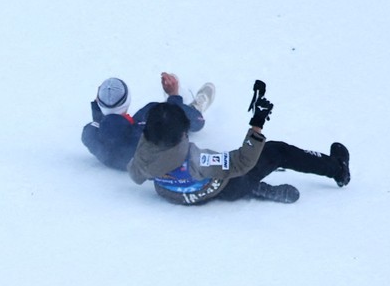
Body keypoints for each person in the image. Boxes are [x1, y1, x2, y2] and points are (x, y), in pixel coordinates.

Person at [129, 92, 349, 205]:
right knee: (276, 151)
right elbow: (241, 161)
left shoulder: (143, 154)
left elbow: (136, 175)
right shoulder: (198, 162)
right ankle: (338, 169)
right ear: (180, 136)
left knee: (233, 172)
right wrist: (256, 126)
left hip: (176, 194)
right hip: (225, 187)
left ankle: (255, 188)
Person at [82, 73, 212, 170]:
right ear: (128, 100)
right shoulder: (141, 133)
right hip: (151, 156)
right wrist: (174, 95)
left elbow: (101, 124)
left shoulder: (89, 133)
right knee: (156, 109)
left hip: (123, 148)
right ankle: (195, 109)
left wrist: (98, 103)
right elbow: (172, 123)